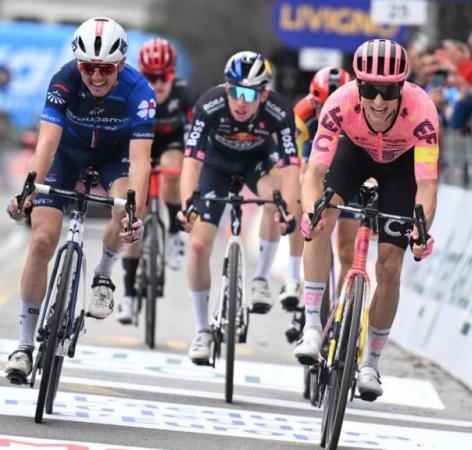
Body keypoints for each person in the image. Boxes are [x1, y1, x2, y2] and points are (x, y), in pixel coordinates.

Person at [4, 17, 153, 383]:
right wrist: (27, 191)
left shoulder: (140, 92)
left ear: (120, 65)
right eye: (88, 67)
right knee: (40, 241)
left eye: (105, 68)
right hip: (67, 155)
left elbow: (140, 163)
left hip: (114, 157)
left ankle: (103, 275)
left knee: (126, 207)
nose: (96, 76)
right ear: (78, 63)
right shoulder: (64, 80)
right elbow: (46, 145)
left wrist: (135, 213)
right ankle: (24, 344)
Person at [294, 39, 437, 401]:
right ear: (357, 85)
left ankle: (371, 362)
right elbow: (313, 173)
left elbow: (426, 184)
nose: (377, 100)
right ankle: (312, 326)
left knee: (390, 267)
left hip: (401, 169)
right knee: (321, 217)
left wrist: (422, 231)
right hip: (354, 154)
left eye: (387, 91)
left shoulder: (422, 109)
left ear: (401, 87)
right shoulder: (340, 101)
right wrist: (311, 212)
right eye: (369, 89)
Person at [177, 51, 299, 364]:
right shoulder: (209, 104)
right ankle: (202, 330)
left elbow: (290, 168)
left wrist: (288, 210)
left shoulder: (279, 110)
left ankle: (259, 279)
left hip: (256, 163)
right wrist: (187, 202)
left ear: (264, 94)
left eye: (249, 94)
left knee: (275, 199)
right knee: (198, 247)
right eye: (234, 91)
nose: (240, 101)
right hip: (215, 167)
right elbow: (191, 160)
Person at [117, 37, 197, 324]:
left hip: (171, 145)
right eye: (151, 77)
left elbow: (194, 137)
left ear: (172, 75)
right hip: (141, 147)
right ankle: (127, 295)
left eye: (163, 77)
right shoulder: (134, 92)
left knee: (172, 166)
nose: (158, 84)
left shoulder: (184, 95)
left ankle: (174, 233)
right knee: (136, 217)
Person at [287, 67, 353, 307]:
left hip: (349, 166)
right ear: (312, 102)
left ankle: (342, 310)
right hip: (315, 158)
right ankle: (293, 275)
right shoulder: (302, 113)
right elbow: (294, 159)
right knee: (298, 189)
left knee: (347, 250)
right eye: (321, 107)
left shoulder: (359, 110)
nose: (328, 115)